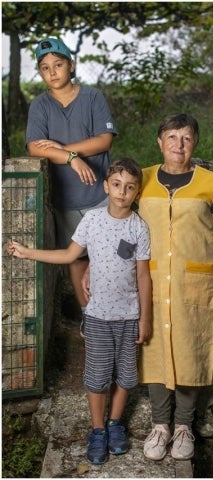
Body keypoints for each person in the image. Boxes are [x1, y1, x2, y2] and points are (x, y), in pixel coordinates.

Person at [7, 158, 151, 465]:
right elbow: (69, 255)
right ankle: (97, 430)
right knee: (98, 378)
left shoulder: (139, 227)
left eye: (129, 187)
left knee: (126, 377)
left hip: (129, 316)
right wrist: (28, 252)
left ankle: (115, 424)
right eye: (116, 185)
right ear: (106, 187)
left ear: (137, 193)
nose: (122, 192)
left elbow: (143, 276)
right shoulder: (92, 221)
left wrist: (145, 319)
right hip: (98, 316)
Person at [138, 114, 213, 461]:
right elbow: (125, 229)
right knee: (153, 350)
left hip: (193, 283)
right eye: (172, 137)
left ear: (195, 143)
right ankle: (159, 425)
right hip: (151, 281)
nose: (178, 145)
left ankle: (183, 427)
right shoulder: (143, 180)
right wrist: (95, 264)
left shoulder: (211, 183)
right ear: (160, 141)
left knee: (189, 350)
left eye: (186, 138)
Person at [26, 37, 117, 313]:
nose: (52, 72)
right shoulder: (40, 106)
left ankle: (111, 314)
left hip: (98, 195)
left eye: (58, 64)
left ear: (71, 65)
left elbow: (103, 140)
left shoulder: (92, 97)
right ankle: (88, 316)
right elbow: (34, 148)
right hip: (65, 199)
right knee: (76, 260)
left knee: (106, 258)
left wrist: (63, 149)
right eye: (45, 67)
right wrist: (71, 158)